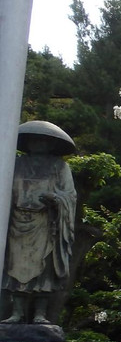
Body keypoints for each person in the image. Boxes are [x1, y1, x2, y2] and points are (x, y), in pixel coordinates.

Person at [3, 122, 77, 325]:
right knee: (15, 264)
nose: (38, 144)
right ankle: (17, 312)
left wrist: (56, 199)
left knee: (45, 267)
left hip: (45, 222)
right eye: (34, 140)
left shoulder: (60, 167)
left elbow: (69, 195)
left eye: (43, 140)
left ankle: (40, 313)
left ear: (51, 144)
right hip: (17, 222)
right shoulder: (15, 164)